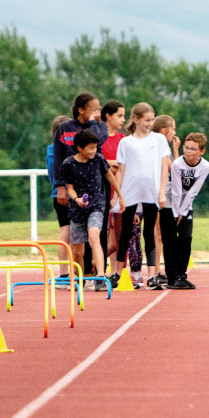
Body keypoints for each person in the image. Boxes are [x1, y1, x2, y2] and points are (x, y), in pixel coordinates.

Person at [113, 103, 170, 290]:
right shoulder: (126, 143)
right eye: (147, 120)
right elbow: (120, 170)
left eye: (152, 120)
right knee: (126, 233)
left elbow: (164, 167)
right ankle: (118, 274)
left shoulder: (159, 139)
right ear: (136, 120)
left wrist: (162, 191)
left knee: (150, 234)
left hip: (151, 192)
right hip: (130, 192)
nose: (150, 123)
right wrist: (118, 195)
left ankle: (152, 275)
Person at [59, 130, 126, 290]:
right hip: (77, 209)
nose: (93, 151)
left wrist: (120, 196)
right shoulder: (68, 164)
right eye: (90, 148)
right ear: (79, 148)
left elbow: (110, 176)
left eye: (95, 147)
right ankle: (81, 277)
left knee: (94, 235)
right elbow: (70, 188)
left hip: (97, 205)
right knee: (77, 250)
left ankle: (101, 276)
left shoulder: (98, 159)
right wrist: (76, 199)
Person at [162, 132, 209, 289]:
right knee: (170, 240)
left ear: (201, 151)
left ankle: (181, 275)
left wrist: (183, 213)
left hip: (186, 205)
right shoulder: (177, 164)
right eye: (186, 147)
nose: (188, 151)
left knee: (186, 237)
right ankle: (172, 276)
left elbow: (192, 191)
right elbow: (176, 191)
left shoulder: (205, 166)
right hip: (171, 204)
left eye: (193, 149)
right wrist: (176, 214)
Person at [100, 99, 126, 286]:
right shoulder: (98, 138)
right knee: (105, 237)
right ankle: (95, 267)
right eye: (119, 116)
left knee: (119, 236)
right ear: (108, 116)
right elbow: (94, 160)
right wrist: (110, 163)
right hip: (101, 190)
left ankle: (118, 274)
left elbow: (124, 166)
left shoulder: (123, 139)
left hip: (120, 190)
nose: (123, 120)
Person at [152, 115, 180, 284]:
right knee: (157, 234)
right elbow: (175, 168)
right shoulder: (160, 146)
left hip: (161, 192)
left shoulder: (161, 146)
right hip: (158, 192)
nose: (175, 132)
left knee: (159, 235)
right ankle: (155, 271)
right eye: (173, 128)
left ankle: (157, 271)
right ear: (164, 130)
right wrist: (176, 150)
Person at [46, 114, 71, 274]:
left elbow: (51, 175)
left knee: (66, 233)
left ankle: (64, 273)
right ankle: (68, 272)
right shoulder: (64, 149)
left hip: (58, 193)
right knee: (69, 234)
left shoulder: (50, 149)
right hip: (67, 194)